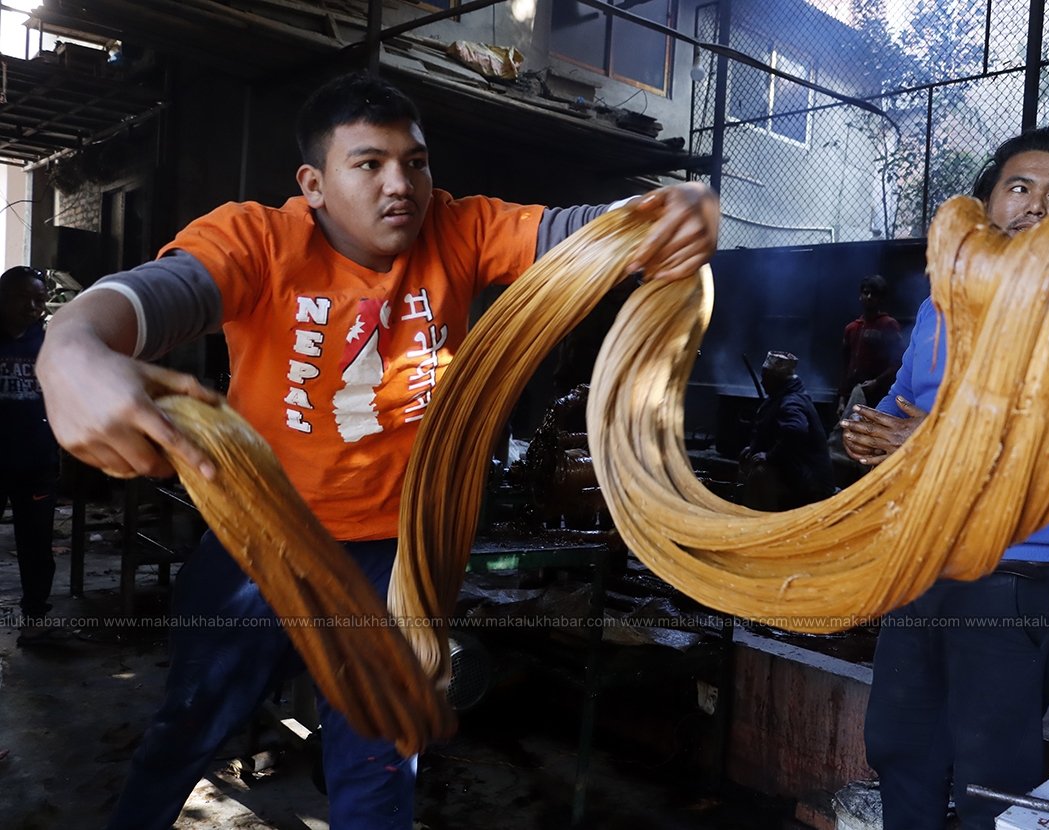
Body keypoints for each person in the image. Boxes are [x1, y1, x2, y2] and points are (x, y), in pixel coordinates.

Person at [35, 71, 719, 830]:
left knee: (378, 764)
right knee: (187, 729)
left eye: (415, 162)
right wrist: (72, 347)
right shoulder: (257, 240)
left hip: (395, 558)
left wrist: (662, 213)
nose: (401, 185)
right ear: (315, 183)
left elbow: (583, 232)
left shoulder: (460, 230)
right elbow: (154, 295)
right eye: (368, 164)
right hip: (260, 543)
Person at [841, 127, 1049, 830]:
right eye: (1019, 187)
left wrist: (938, 443)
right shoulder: (939, 308)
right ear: (984, 207)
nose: (1038, 205)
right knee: (899, 747)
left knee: (990, 777)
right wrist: (870, 436)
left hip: (1020, 577)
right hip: (923, 563)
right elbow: (903, 405)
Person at [0, 267, 65, 646]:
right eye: (23, 298)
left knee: (36, 545)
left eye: (40, 300)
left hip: (37, 463)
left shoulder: (51, 341)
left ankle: (35, 619)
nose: (33, 306)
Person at [739, 350, 836, 511]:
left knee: (761, 473)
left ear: (776, 379)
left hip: (811, 480)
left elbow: (795, 431)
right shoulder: (781, 396)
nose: (762, 382)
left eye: (765, 376)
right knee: (748, 457)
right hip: (798, 471)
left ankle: (761, 523)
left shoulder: (791, 401)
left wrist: (769, 456)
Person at [838, 274, 903, 412]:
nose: (869, 297)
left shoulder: (888, 325)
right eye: (866, 293)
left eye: (874, 294)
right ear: (860, 296)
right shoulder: (852, 328)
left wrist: (877, 382)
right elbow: (845, 365)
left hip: (878, 395)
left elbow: (899, 361)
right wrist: (842, 399)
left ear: (881, 299)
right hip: (854, 393)